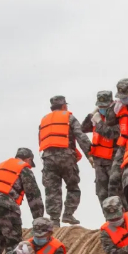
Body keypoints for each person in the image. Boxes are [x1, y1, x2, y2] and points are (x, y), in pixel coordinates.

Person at [39, 95, 93, 227]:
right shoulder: (68, 117)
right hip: (66, 157)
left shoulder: (44, 120)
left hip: (48, 158)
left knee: (52, 190)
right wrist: (90, 155)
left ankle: (54, 219)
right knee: (73, 186)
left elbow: (41, 140)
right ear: (64, 106)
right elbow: (81, 137)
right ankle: (68, 214)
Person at [0, 148, 44, 254]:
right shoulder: (23, 168)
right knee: (14, 244)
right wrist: (39, 220)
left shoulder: (1, 166)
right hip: (5, 206)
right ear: (28, 159)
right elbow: (33, 195)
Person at [85, 91, 119, 205]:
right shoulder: (97, 116)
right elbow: (83, 128)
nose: (102, 108)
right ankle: (108, 219)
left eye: (104, 106)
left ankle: (122, 219)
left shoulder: (117, 116)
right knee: (101, 192)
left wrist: (99, 122)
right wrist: (91, 114)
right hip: (99, 161)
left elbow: (111, 134)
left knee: (116, 191)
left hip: (113, 160)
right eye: (100, 106)